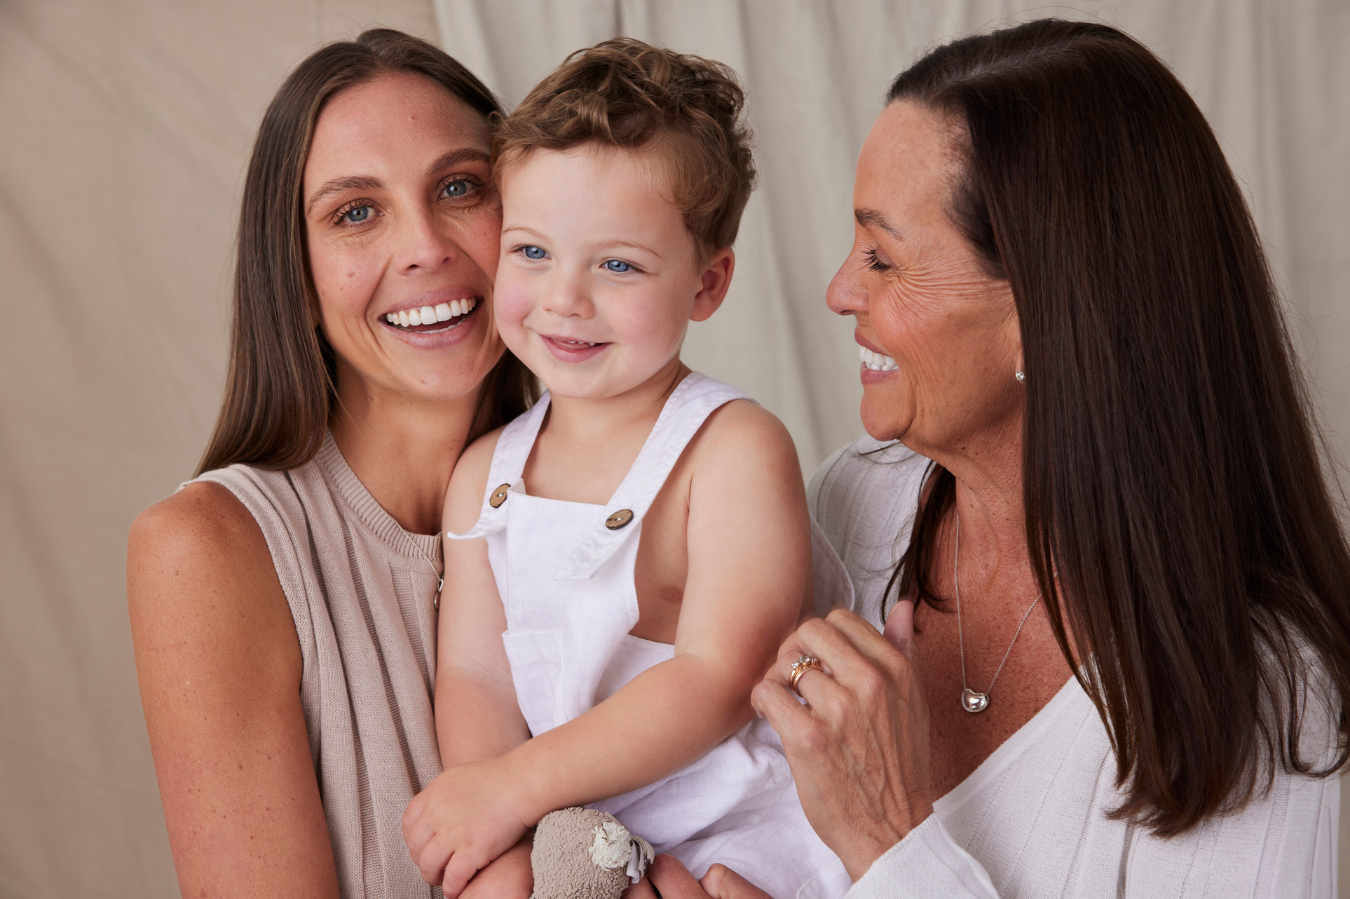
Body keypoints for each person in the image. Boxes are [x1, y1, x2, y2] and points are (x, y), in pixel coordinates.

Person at [640, 18, 1349, 899]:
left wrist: (891, 841)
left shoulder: (1266, 700)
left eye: (884, 257)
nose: (840, 290)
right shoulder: (849, 504)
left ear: (1045, 314)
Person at [400, 39, 851, 899]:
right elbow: (475, 674)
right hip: (570, 825)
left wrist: (515, 786)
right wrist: (493, 811)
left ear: (707, 284)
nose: (566, 297)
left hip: (737, 835)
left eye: (617, 265)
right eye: (532, 252)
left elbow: (719, 677)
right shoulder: (485, 474)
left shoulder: (731, 449)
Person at [126, 30, 535, 898]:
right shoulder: (207, 551)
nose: (425, 245)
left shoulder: (646, 484)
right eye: (357, 210)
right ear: (296, 276)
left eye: (461, 187)